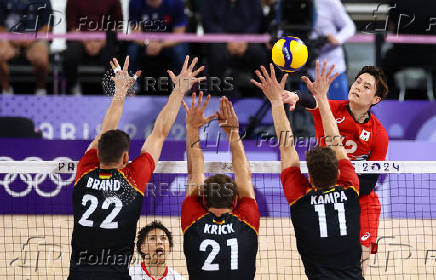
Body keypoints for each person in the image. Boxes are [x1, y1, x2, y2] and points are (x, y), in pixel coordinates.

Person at [69, 55, 205, 279]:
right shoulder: (133, 178)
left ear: (97, 153)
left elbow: (105, 131)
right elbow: (160, 132)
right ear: (125, 158)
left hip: (78, 274)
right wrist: (179, 89)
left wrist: (120, 91)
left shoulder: (85, 170)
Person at [251, 63, 362, 279]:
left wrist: (275, 101)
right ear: (339, 174)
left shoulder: (301, 199)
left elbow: (286, 146)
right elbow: (335, 143)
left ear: (309, 178)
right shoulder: (350, 189)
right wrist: (321, 97)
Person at [282, 61, 389, 275]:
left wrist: (346, 181)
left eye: (366, 86)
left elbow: (368, 183)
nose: (358, 87)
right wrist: (295, 95)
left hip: (361, 198)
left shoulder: (379, 134)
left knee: (358, 263)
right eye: (358, 82)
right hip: (324, 191)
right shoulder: (331, 108)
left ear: (376, 99)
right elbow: (311, 100)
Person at [181, 92, 260, 279]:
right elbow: (244, 175)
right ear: (235, 200)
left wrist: (192, 128)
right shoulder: (246, 220)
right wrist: (233, 132)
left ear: (204, 199)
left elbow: (194, 172)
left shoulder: (194, 219)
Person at [201, 0, 267, 96]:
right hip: (220, 41)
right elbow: (208, 23)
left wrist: (244, 40)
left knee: (259, 54)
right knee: (216, 55)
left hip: (247, 41)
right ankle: (215, 96)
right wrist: (227, 40)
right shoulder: (210, 3)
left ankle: (260, 96)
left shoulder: (254, 2)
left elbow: (257, 22)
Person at [128, 0, 188, 94]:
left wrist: (160, 45)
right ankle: (132, 88)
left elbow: (179, 33)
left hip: (169, 43)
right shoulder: (135, 2)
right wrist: (148, 43)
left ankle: (181, 89)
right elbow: (135, 32)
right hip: (145, 42)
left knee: (180, 50)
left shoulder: (176, 3)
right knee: (132, 50)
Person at [63, 0, 123, 95]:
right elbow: (72, 27)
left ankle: (111, 87)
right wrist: (87, 42)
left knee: (113, 53)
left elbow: (117, 27)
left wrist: (101, 42)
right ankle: (73, 86)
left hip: (105, 40)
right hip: (80, 40)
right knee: (71, 54)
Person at [306, 0, 355, 100]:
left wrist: (338, 38)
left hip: (331, 67)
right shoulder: (289, 3)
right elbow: (282, 28)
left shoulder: (330, 2)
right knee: (305, 112)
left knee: (339, 112)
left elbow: (349, 26)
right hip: (304, 69)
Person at [0, 0, 52, 95]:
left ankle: (40, 91)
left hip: (35, 39)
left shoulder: (44, 1)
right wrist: (12, 37)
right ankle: (6, 91)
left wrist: (31, 38)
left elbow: (47, 27)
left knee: (41, 58)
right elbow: (0, 26)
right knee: (0, 54)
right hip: (9, 38)